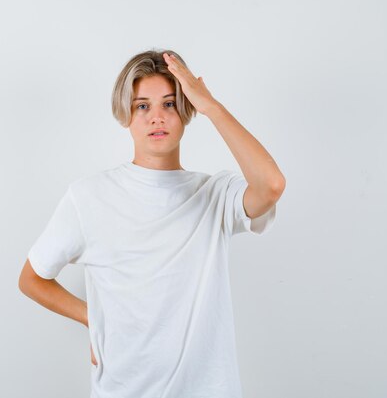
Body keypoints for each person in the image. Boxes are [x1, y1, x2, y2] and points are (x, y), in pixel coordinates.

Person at [17, 48, 286, 398]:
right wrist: (93, 318)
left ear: (186, 111)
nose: (156, 117)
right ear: (126, 114)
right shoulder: (89, 197)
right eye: (143, 105)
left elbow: (271, 184)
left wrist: (211, 107)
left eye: (170, 104)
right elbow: (32, 277)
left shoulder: (215, 196)